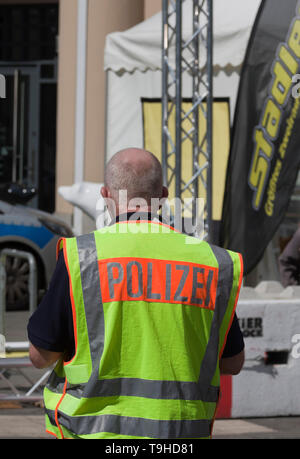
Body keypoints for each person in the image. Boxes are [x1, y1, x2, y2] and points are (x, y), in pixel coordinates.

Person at [28, 148, 245, 440]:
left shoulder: (82, 257)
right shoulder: (212, 263)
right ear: (163, 195)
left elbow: (40, 356)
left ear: (105, 194)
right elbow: (233, 362)